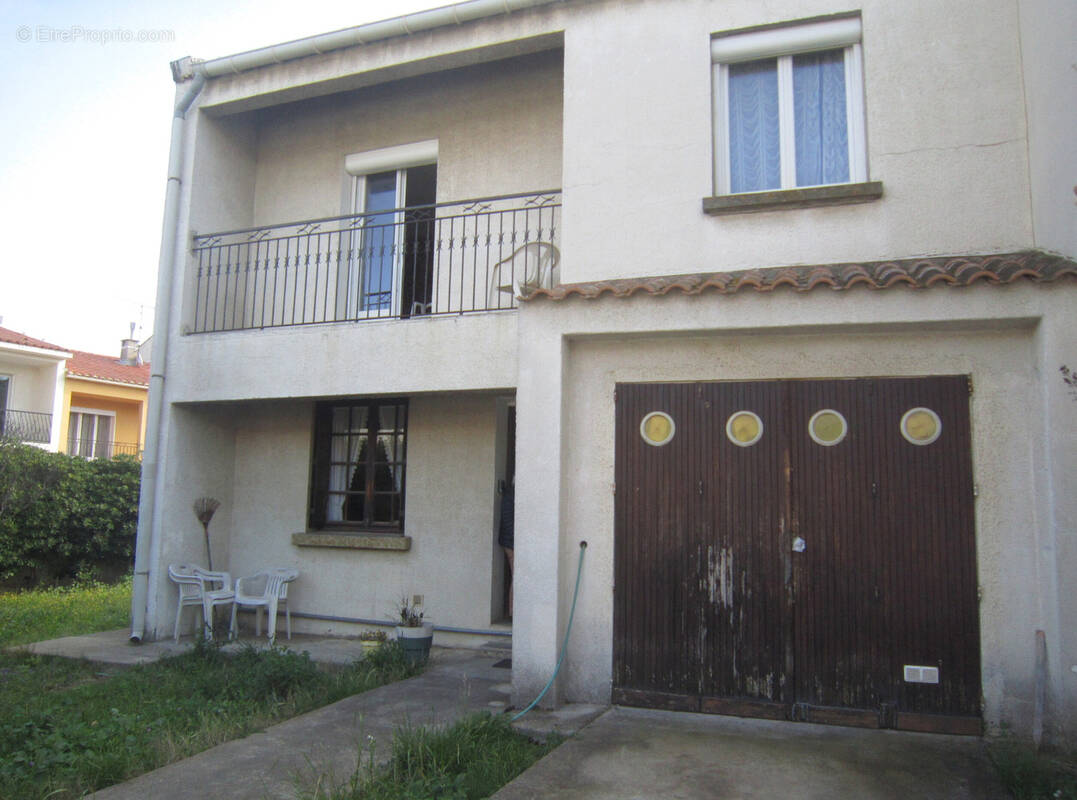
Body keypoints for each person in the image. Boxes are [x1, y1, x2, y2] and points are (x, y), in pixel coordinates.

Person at [498, 480, 515, 617]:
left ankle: (512, 612)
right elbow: (508, 522)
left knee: (516, 575)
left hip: (509, 540)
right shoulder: (511, 495)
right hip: (511, 542)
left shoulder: (510, 494)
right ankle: (512, 612)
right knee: (517, 575)